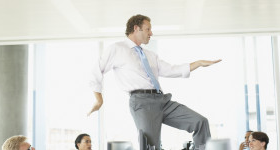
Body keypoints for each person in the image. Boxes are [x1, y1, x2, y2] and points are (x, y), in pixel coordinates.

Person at [88, 14, 221, 150]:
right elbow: (96, 71)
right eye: (148, 29)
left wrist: (198, 63)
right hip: (142, 103)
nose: (151, 33)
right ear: (136, 28)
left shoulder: (150, 55)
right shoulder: (117, 49)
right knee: (151, 146)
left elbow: (171, 70)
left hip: (162, 100)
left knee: (200, 122)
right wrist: (99, 100)